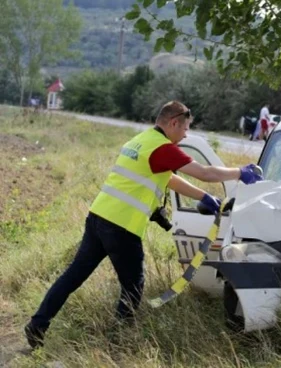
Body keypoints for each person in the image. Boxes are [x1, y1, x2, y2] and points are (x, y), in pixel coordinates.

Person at [24, 101, 263, 349]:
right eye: (185, 129)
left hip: (98, 217)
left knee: (73, 276)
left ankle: (37, 326)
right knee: (134, 286)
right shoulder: (163, 148)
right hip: (122, 226)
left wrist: (202, 197)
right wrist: (239, 172)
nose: (186, 134)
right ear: (173, 123)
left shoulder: (140, 141)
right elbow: (204, 172)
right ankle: (118, 342)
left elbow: (167, 178)